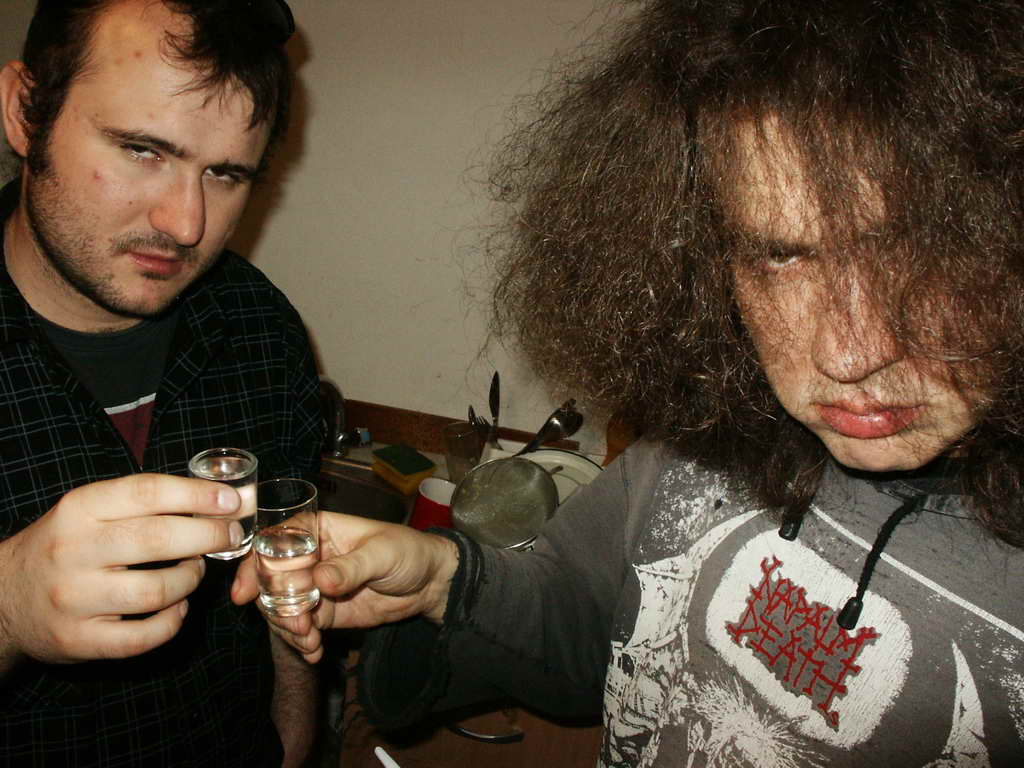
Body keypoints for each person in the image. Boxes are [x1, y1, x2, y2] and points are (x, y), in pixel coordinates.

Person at [234, 0, 1024, 765]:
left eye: (929, 257)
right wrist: (443, 580)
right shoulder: (695, 452)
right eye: (782, 255)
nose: (849, 355)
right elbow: (584, 622)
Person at [0, 0, 323, 765]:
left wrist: (294, 738)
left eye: (226, 173)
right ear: (23, 110)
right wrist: (8, 608)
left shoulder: (260, 324)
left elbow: (284, 567)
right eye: (143, 150)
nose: (186, 223)